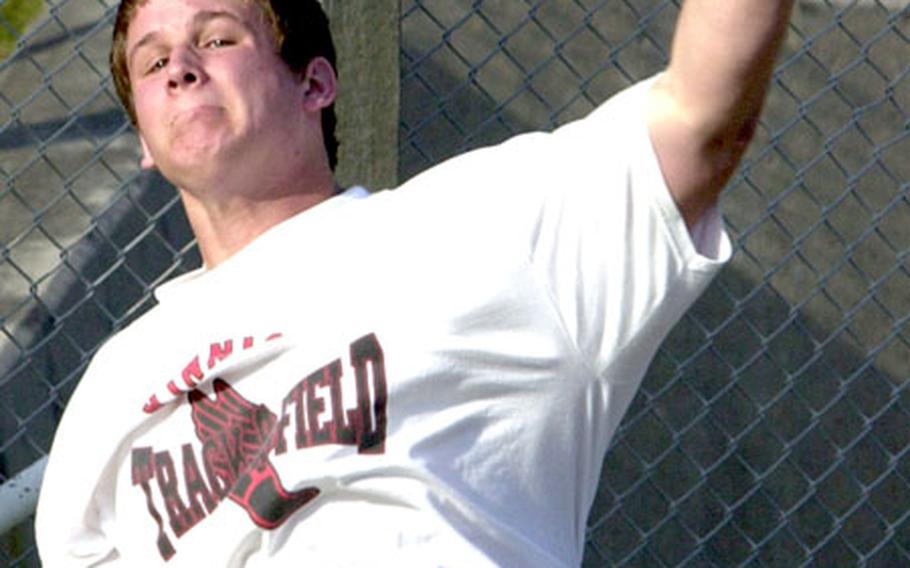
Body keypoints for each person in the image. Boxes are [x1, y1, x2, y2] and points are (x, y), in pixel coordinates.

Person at [35, 0, 794, 566]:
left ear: (315, 84)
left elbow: (701, 116)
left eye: (217, 38)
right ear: (141, 141)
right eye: (151, 59)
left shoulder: (478, 229)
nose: (180, 67)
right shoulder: (116, 384)